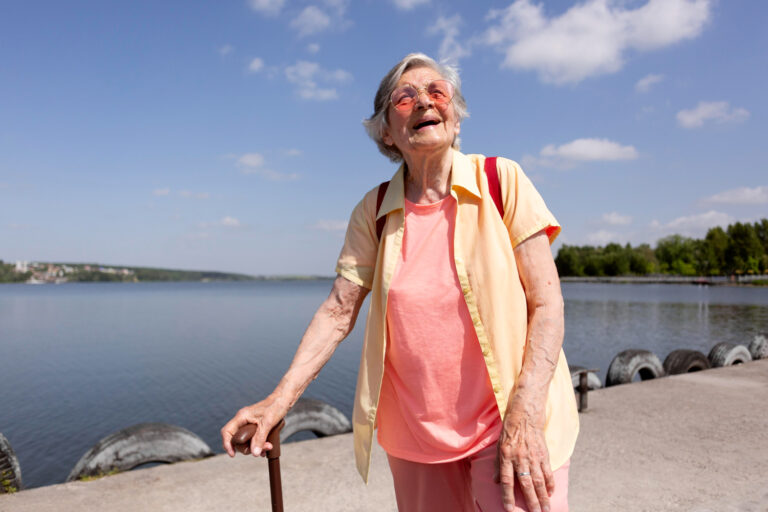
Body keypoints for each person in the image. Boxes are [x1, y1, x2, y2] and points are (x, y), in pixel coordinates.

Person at [221, 53, 579, 512]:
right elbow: (337, 311)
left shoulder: (501, 181)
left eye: (437, 92)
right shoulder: (372, 212)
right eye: (405, 98)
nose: (425, 102)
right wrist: (278, 400)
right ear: (387, 132)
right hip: (417, 435)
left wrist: (526, 413)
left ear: (455, 111)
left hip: (509, 418)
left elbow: (547, 305)